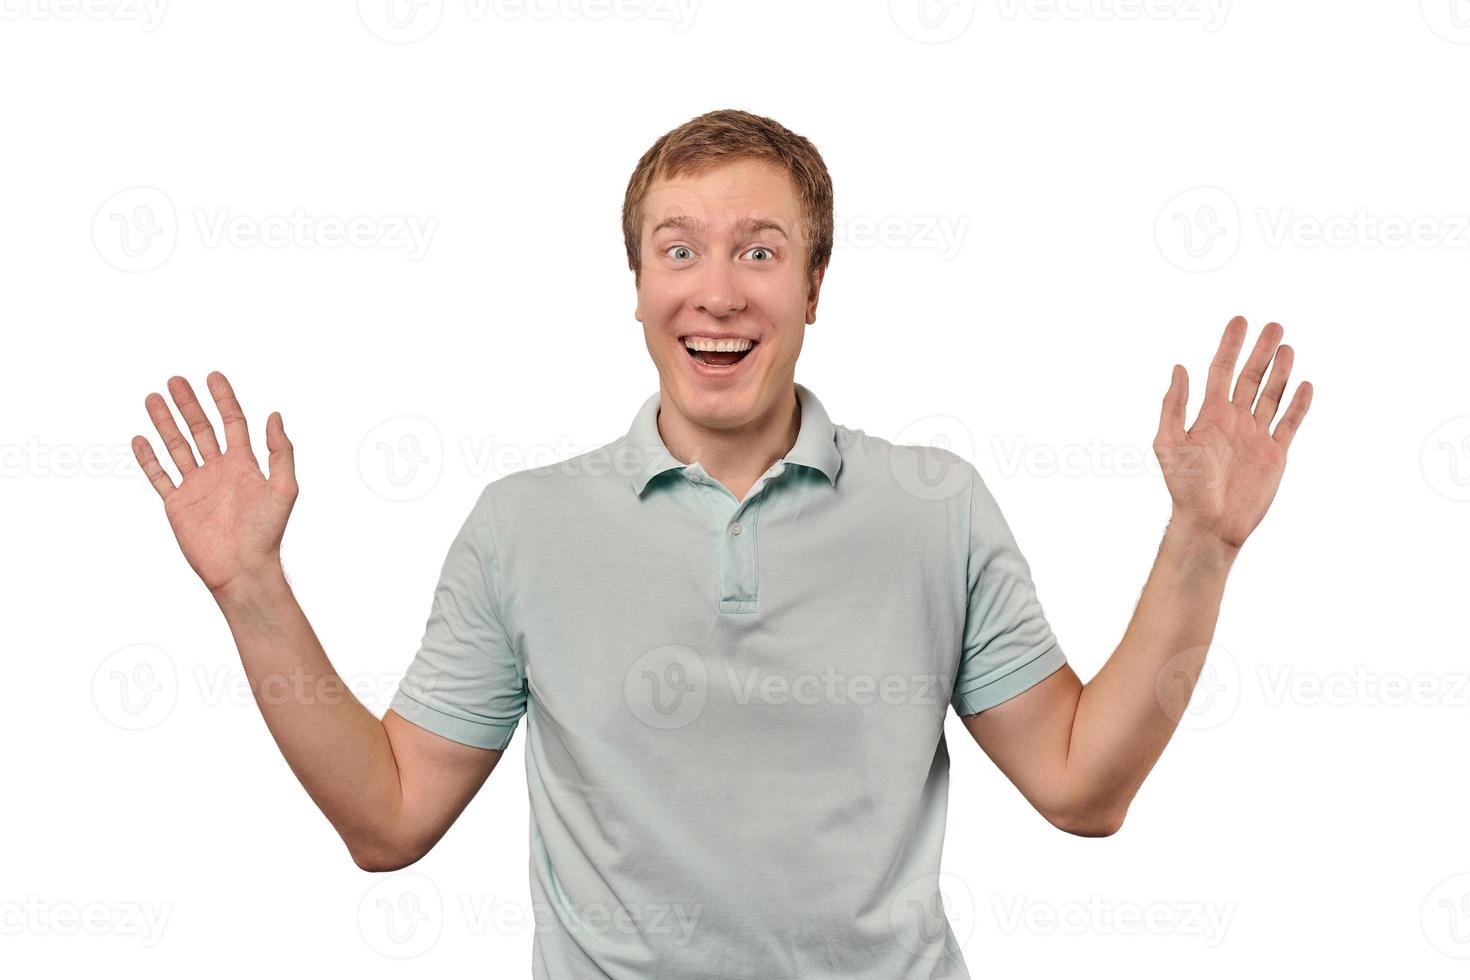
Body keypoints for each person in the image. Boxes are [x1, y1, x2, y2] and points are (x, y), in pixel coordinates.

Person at [129, 108, 1313, 979]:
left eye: (760, 250)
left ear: (813, 285)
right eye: (678, 248)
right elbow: (389, 817)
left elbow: (1081, 785)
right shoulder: (525, 526)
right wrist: (249, 586)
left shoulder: (934, 507)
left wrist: (1201, 540)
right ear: (637, 283)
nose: (718, 291)